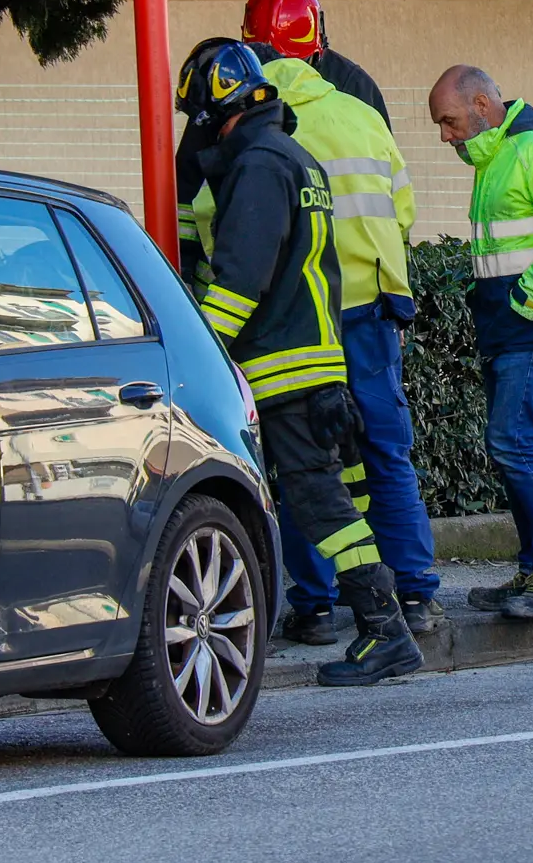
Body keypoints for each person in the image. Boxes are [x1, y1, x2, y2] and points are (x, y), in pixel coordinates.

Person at [173, 39, 419, 687]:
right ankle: (383, 625)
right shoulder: (296, 157)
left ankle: (384, 631)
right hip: (318, 364)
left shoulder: (257, 165)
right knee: (335, 496)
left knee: (317, 501)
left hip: (282, 370)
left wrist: (197, 360)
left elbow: (239, 281)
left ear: (216, 107)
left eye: (199, 114)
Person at [429, 65, 533, 620]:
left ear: (482, 103)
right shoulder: (499, 156)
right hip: (515, 327)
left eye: (450, 120)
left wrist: (524, 300)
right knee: (513, 444)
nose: (446, 135)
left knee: (514, 441)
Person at [244, 0, 390, 126]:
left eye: (291, 66)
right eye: (267, 64)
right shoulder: (240, 77)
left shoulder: (354, 85)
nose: (281, 75)